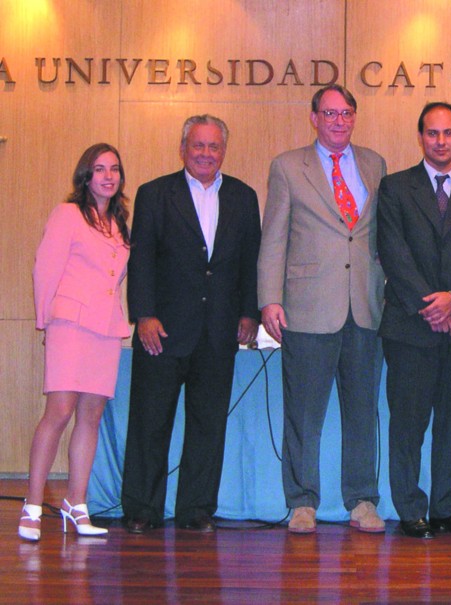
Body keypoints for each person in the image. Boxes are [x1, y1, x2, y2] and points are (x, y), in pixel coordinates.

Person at [121, 115, 261, 533]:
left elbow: (249, 262)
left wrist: (249, 313)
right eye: (198, 145)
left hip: (218, 333)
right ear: (183, 148)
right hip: (160, 332)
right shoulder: (154, 194)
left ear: (224, 151)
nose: (205, 153)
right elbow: (141, 259)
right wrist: (143, 314)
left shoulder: (243, 196)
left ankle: (196, 510)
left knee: (208, 425)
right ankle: (141, 511)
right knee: (150, 423)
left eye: (213, 146)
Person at [258, 84, 387, 534]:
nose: (339, 121)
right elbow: (274, 236)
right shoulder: (288, 166)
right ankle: (302, 502)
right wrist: (269, 298)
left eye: (346, 112)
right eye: (330, 113)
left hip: (366, 308)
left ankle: (363, 501)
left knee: (362, 411)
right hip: (307, 308)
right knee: (304, 414)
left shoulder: (374, 164)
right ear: (313, 117)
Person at [378, 102, 451, 539]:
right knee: (408, 423)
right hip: (410, 328)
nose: (440, 141)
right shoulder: (394, 188)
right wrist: (432, 306)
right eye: (432, 133)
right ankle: (410, 509)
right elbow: (393, 252)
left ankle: (446, 508)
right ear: (421, 136)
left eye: (448, 133)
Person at [20, 143, 131, 541]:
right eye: (99, 169)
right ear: (85, 176)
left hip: (106, 329)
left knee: (91, 417)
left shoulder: (119, 221)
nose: (108, 176)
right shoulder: (68, 214)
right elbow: (44, 268)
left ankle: (76, 504)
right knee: (59, 411)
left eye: (114, 169)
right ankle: (33, 504)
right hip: (68, 323)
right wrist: (45, 322)